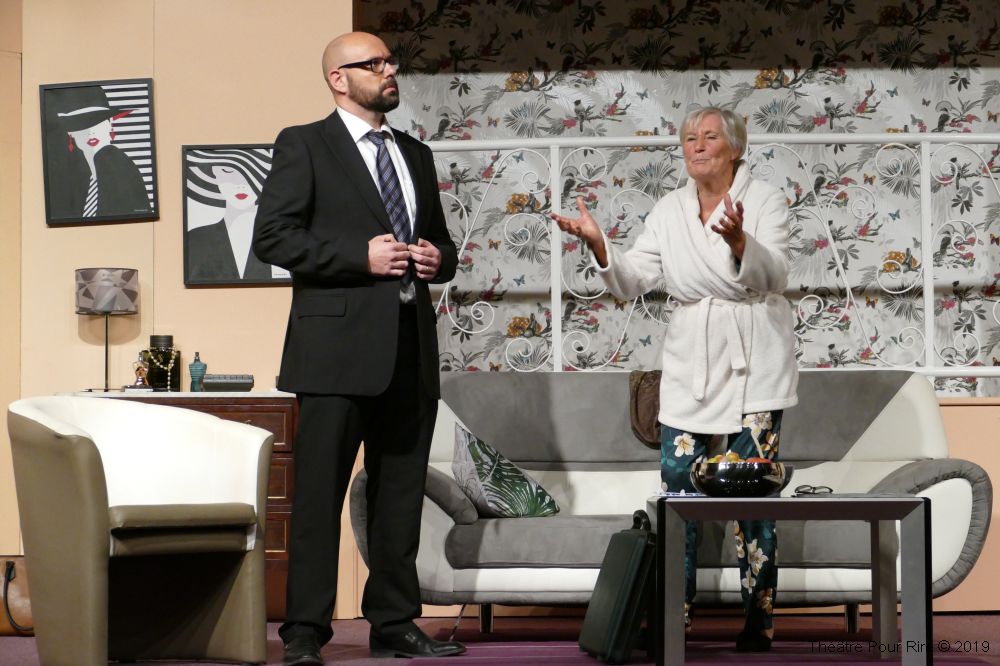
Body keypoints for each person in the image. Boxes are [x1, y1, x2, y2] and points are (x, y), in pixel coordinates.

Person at [552, 106, 798, 652]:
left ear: (736, 147)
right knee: (677, 496)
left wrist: (741, 242)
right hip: (690, 364)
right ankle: (671, 620)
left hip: (755, 364)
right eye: (689, 138)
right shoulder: (668, 209)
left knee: (752, 498)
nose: (697, 146)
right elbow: (633, 278)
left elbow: (778, 273)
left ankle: (758, 622)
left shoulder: (765, 200)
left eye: (709, 137)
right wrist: (599, 244)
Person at [252, 31, 461, 665]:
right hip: (333, 354)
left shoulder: (415, 154)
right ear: (338, 79)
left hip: (409, 350)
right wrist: (357, 256)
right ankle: (304, 632)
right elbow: (272, 238)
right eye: (373, 64)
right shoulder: (304, 144)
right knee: (318, 498)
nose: (388, 70)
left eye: (390, 61)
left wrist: (437, 258)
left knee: (398, 499)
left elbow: (442, 244)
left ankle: (394, 622)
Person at [46, 86, 151, 220]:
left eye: (98, 122)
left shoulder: (121, 165)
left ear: (110, 124)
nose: (91, 132)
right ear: (71, 133)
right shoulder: (70, 177)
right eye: (81, 124)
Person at [186, 149, 276, 282]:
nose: (241, 184)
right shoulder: (196, 238)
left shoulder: (278, 237)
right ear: (214, 173)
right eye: (228, 171)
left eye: (251, 173)